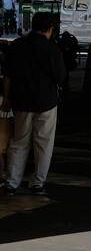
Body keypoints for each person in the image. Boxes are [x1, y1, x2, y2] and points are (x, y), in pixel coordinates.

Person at [1, 12, 67, 196]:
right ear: (50, 29)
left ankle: (11, 182)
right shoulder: (52, 49)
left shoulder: (17, 46)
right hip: (46, 102)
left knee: (19, 141)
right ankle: (37, 183)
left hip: (21, 102)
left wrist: (7, 98)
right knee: (43, 144)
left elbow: (8, 76)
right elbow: (60, 77)